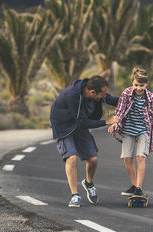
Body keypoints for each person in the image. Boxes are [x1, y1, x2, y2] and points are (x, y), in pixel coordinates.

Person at [49, 75, 118, 207]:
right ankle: (74, 195)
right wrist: (106, 122)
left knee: (93, 159)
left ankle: (88, 182)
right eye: (102, 94)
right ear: (92, 92)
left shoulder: (96, 91)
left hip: (79, 125)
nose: (104, 96)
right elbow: (83, 122)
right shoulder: (72, 95)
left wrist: (135, 100)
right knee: (72, 158)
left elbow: (113, 100)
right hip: (63, 126)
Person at [108, 67, 153, 197]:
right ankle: (134, 186)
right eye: (136, 85)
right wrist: (115, 122)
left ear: (147, 84)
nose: (139, 88)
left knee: (140, 157)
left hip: (144, 130)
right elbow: (119, 111)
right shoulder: (126, 94)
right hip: (127, 129)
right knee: (127, 158)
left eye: (142, 85)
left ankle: (139, 188)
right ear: (132, 83)